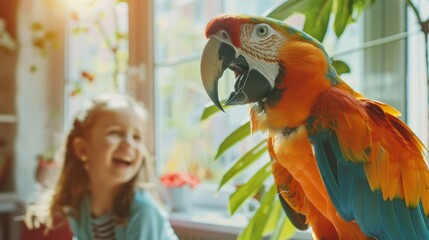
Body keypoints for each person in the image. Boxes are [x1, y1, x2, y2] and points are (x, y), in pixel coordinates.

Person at [25, 94, 178, 240]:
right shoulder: (80, 207)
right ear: (82, 149)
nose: (129, 143)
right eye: (116, 133)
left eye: (136, 137)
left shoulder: (143, 211)